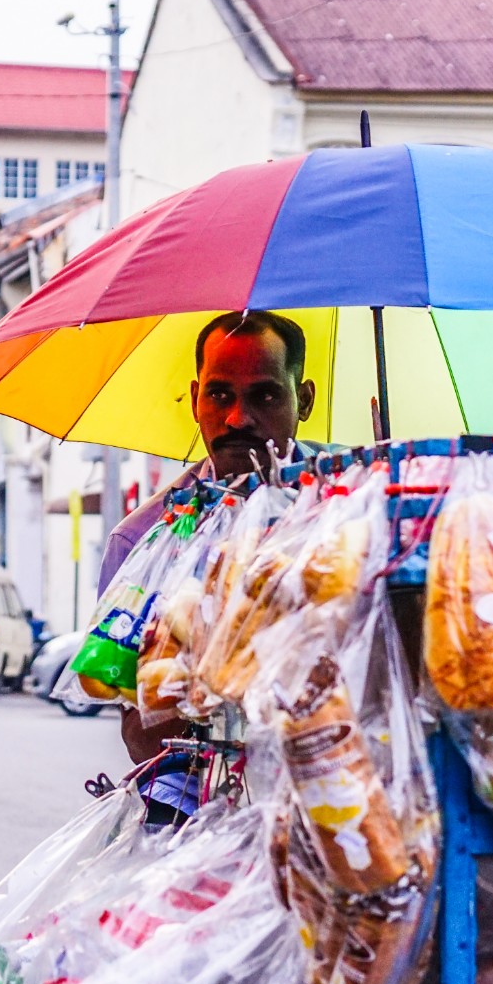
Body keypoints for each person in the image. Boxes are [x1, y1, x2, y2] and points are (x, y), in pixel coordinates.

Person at [98, 311, 318, 782]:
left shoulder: (355, 506)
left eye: (265, 395)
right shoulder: (141, 544)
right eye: (220, 395)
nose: (239, 418)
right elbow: (141, 736)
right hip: (194, 810)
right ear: (196, 398)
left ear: (303, 400)